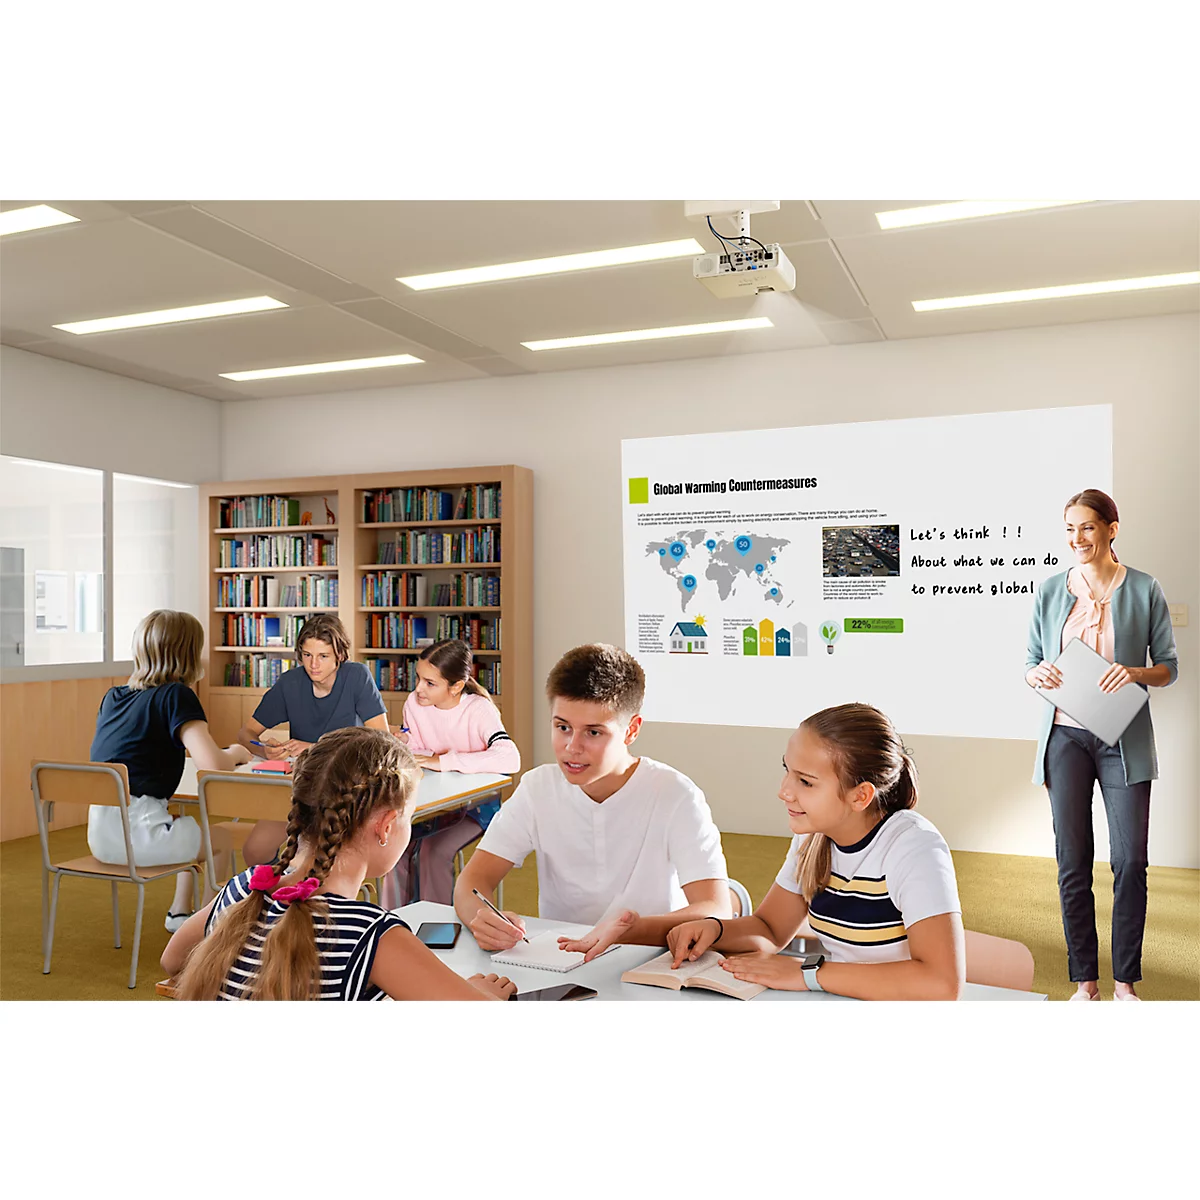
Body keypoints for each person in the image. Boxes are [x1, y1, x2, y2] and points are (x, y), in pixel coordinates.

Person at [162, 726, 517, 1000]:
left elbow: (171, 960)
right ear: (386, 826)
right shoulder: (368, 933)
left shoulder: (246, 887)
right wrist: (484, 995)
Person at [664, 703, 966, 1000]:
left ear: (860, 796)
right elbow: (769, 930)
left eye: (805, 781)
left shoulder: (913, 847)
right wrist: (714, 930)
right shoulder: (813, 837)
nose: (784, 791)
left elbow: (940, 983)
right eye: (787, 770)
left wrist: (806, 974)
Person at [453, 642, 731, 954]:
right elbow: (472, 881)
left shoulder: (676, 795)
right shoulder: (538, 788)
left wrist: (629, 931)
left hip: (651, 957)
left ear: (631, 731)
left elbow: (715, 907)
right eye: (562, 727)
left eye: (593, 732)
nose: (572, 747)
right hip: (563, 962)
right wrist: (482, 916)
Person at [1025, 488, 1178, 1001]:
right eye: (1070, 528)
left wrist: (1134, 672)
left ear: (1112, 527)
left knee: (1131, 861)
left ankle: (1125, 986)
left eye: (1087, 527)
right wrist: (1037, 675)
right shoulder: (1049, 591)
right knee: (1073, 862)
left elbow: (1168, 668)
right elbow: (1030, 662)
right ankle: (1085, 984)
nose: (1077, 538)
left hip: (1123, 741)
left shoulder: (1143, 589)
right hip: (1065, 738)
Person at [88, 610, 253, 931]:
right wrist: (236, 752)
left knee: (184, 822)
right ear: (190, 653)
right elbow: (213, 766)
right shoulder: (176, 695)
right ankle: (206, 924)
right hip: (140, 839)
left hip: (101, 835)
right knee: (218, 836)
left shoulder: (114, 697)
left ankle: (179, 914)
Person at [235, 614, 390, 867]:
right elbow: (245, 734)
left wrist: (316, 748)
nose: (313, 664)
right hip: (301, 787)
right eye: (307, 655)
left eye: (323, 656)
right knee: (254, 851)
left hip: (345, 790)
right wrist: (262, 750)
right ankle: (275, 894)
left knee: (312, 859)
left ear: (339, 654)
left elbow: (381, 743)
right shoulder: (290, 683)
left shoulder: (357, 676)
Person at [380, 639, 521, 907]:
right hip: (436, 805)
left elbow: (510, 757)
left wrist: (444, 761)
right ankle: (395, 923)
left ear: (456, 686)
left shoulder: (479, 709)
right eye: (418, 678)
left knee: (432, 852)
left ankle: (436, 929)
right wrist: (406, 743)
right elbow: (420, 748)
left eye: (430, 683)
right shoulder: (414, 704)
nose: (419, 689)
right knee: (394, 848)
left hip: (476, 808)